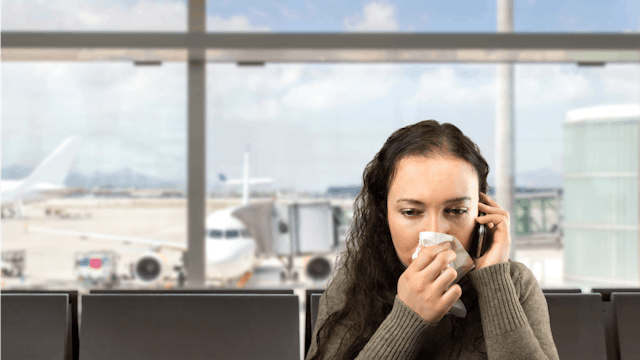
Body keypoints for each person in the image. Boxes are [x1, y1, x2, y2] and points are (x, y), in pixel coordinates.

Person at [306, 120, 559, 360]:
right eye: (411, 212)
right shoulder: (355, 284)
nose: (437, 234)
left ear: (481, 213)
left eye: (457, 211)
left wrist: (494, 283)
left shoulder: (514, 284)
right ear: (385, 215)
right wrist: (407, 319)